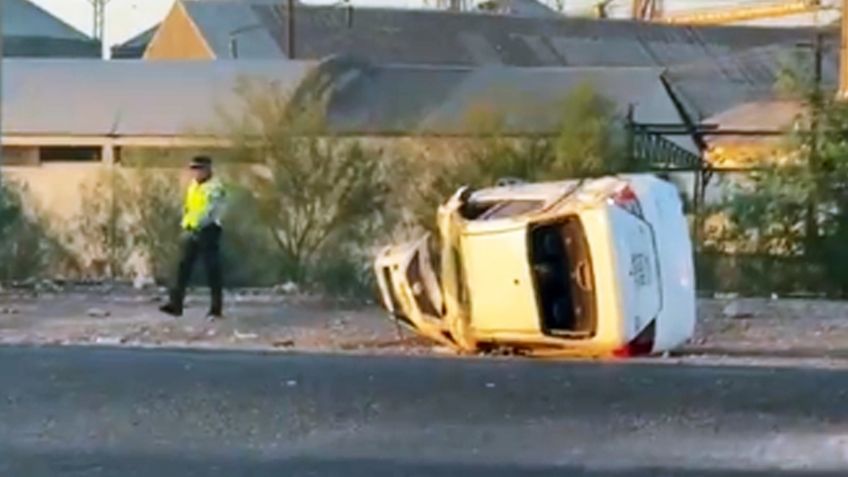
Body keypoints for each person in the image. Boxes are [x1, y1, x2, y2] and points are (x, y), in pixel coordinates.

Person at [160, 156, 227, 319]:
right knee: (182, 268)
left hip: (208, 230)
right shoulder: (193, 186)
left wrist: (199, 224)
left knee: (212, 270)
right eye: (194, 169)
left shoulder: (215, 187)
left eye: (199, 168)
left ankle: (216, 308)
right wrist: (186, 223)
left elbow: (212, 211)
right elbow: (190, 206)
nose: (196, 172)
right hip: (191, 230)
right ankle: (176, 304)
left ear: (208, 169)